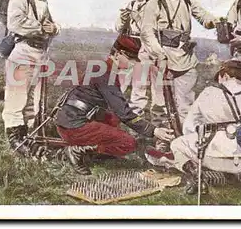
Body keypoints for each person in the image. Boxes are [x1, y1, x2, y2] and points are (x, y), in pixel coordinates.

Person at [55, 36, 176, 175]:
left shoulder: (101, 67)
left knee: (113, 120)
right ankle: (77, 150)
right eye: (130, 58)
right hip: (75, 127)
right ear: (117, 53)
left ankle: (92, 150)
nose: (133, 63)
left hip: (68, 120)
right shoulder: (107, 75)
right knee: (128, 143)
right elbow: (124, 112)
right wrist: (154, 131)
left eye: (135, 59)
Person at [167, 60, 241, 196]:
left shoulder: (208, 93)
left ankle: (198, 176)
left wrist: (198, 144)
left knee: (177, 144)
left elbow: (190, 126)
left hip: (212, 158)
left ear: (224, 75)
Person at [141, 0, 217, 124]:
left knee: (185, 105)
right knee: (160, 104)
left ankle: (185, 139)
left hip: (184, 57)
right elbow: (147, 32)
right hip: (162, 57)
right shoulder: (155, 2)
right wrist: (159, 54)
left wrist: (213, 22)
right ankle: (162, 140)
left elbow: (203, 16)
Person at [3, 0, 61, 150]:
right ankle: (14, 138)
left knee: (32, 103)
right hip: (23, 52)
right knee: (16, 97)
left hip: (39, 54)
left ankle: (28, 135)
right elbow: (14, 24)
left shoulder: (43, 1)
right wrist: (40, 28)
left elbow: (50, 24)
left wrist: (54, 28)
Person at [115, 0, 165, 121]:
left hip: (149, 45)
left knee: (149, 86)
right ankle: (130, 119)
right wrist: (124, 17)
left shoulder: (155, 2)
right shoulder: (132, 4)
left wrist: (136, 17)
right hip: (133, 45)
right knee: (131, 85)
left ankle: (150, 120)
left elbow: (153, 26)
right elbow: (118, 27)